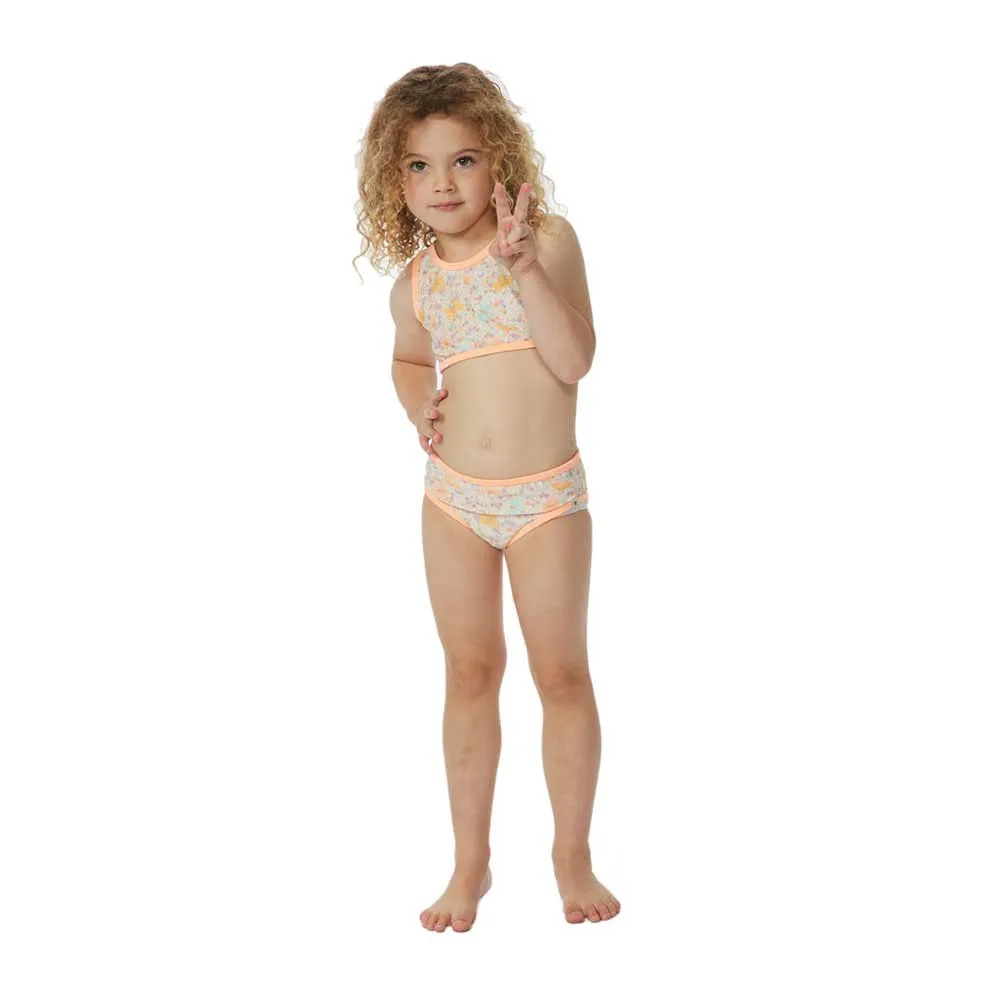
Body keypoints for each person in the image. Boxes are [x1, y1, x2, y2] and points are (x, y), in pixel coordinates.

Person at [353, 63, 620, 932]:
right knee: (469, 674)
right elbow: (407, 358)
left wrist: (524, 270)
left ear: (498, 159)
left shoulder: (546, 243)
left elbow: (574, 360)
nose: (443, 183)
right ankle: (471, 862)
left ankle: (571, 855)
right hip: (453, 502)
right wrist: (416, 408)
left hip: (545, 499)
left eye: (463, 160)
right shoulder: (415, 283)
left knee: (561, 673)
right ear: (395, 181)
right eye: (419, 166)